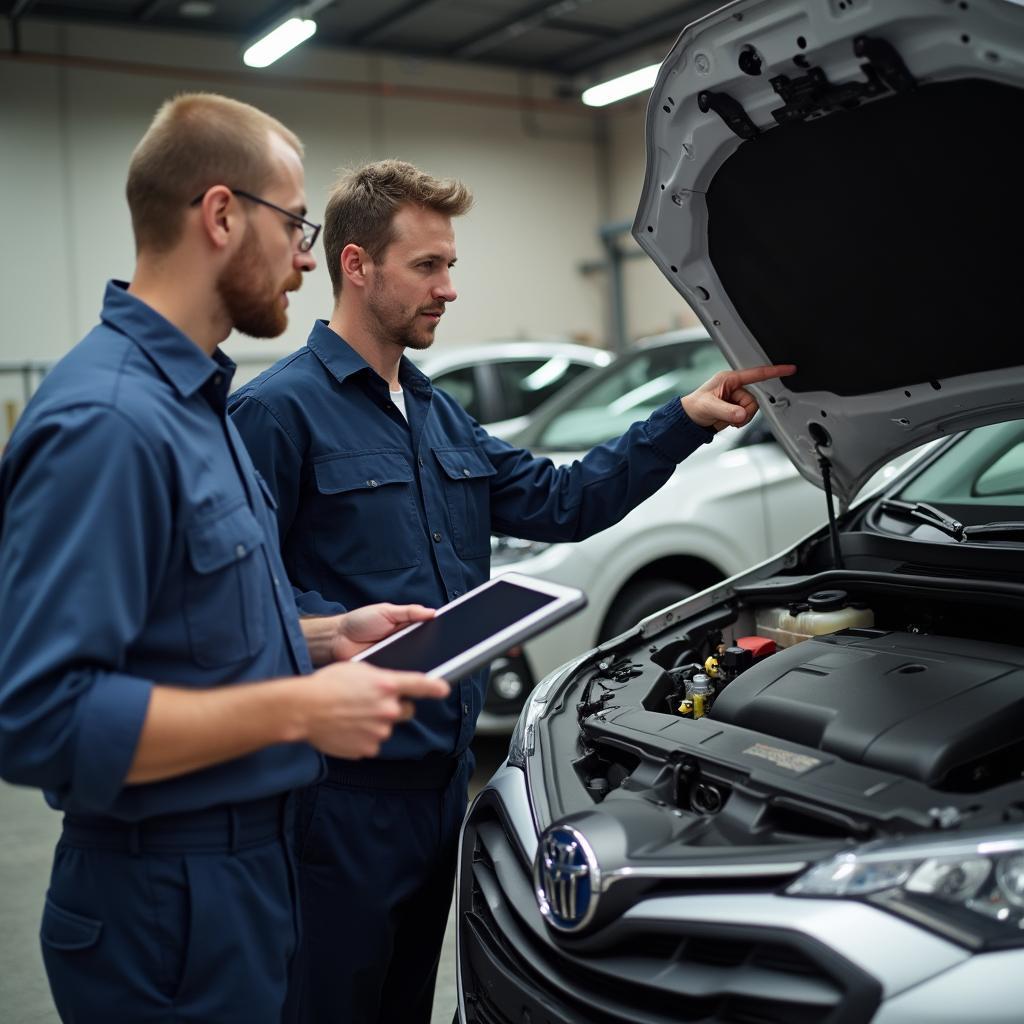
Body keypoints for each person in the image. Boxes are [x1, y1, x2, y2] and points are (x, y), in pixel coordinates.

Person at [228, 158, 795, 1023]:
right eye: (427, 266)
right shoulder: (276, 414)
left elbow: (564, 500)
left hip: (442, 786)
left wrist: (682, 420)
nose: (448, 288)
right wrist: (328, 629)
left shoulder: (435, 411)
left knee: (407, 1000)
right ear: (355, 265)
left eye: (450, 265)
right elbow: (233, 604)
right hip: (334, 803)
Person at [0, 100, 449, 1024]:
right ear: (219, 214)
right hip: (165, 901)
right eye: (294, 225)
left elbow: (187, 616)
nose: (305, 256)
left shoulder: (197, 402)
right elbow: (40, 716)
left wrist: (324, 636)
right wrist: (298, 707)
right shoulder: (109, 421)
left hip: (247, 872)